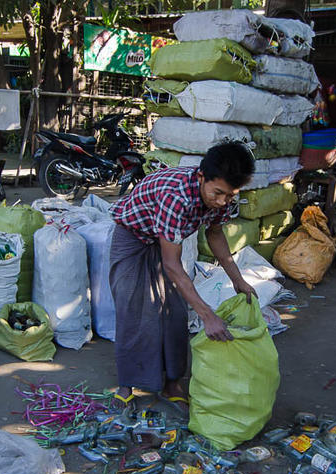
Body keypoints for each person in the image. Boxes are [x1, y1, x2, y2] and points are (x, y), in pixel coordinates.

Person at [108, 141, 257, 409]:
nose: (222, 202)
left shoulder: (221, 195)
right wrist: (208, 316)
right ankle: (126, 386)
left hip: (164, 240)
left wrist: (238, 280)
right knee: (134, 312)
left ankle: (172, 384)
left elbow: (215, 234)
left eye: (230, 196)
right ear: (201, 177)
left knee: (175, 314)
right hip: (133, 239)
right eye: (218, 193)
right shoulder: (176, 196)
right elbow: (172, 265)